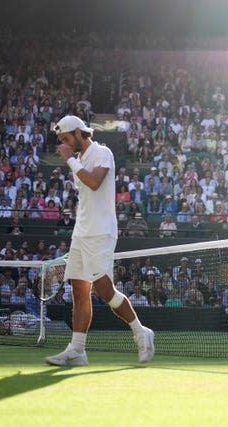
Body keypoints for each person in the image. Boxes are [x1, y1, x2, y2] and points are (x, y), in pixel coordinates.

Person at [45, 115, 154, 367]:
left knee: (105, 290)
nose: (63, 144)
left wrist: (70, 159)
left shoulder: (102, 153)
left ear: (79, 133)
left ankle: (141, 332)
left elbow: (94, 183)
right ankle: (77, 350)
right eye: (61, 140)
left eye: (66, 139)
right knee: (79, 292)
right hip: (81, 233)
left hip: (101, 232)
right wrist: (73, 160)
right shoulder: (79, 159)